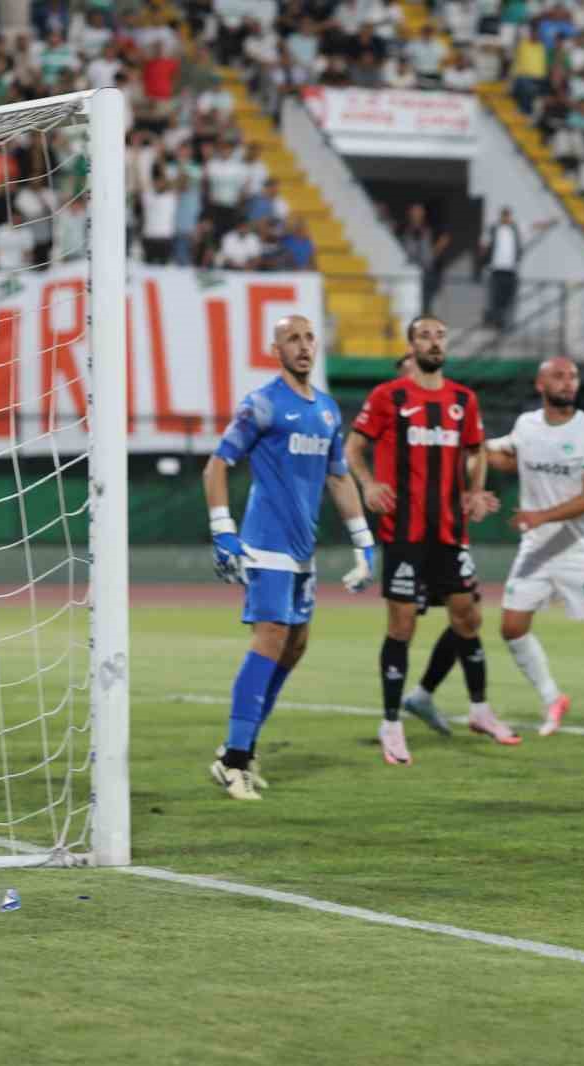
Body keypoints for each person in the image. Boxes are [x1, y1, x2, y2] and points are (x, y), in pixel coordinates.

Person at [203, 316, 374, 800]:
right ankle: (234, 760)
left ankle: (242, 747)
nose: (302, 346)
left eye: (307, 338)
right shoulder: (262, 404)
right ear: (274, 349)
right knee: (271, 635)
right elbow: (217, 466)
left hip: (303, 551)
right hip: (266, 544)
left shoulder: (325, 410)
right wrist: (224, 531)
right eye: (291, 339)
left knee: (295, 646)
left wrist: (364, 542)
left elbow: (339, 478)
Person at [346, 315, 514, 763]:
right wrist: (367, 484)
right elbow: (353, 447)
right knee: (402, 626)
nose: (434, 342)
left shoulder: (463, 400)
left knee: (468, 618)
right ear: (411, 343)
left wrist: (475, 491)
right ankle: (390, 723)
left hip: (449, 532)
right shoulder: (389, 397)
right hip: (403, 532)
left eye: (441, 334)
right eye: (425, 335)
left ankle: (479, 708)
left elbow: (476, 449)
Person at [486, 358, 584, 735]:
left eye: (573, 376)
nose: (568, 381)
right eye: (559, 375)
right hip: (536, 548)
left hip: (580, 547)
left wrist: (540, 516)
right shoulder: (526, 425)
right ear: (540, 383)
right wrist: (471, 447)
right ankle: (551, 698)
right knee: (511, 627)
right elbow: (505, 455)